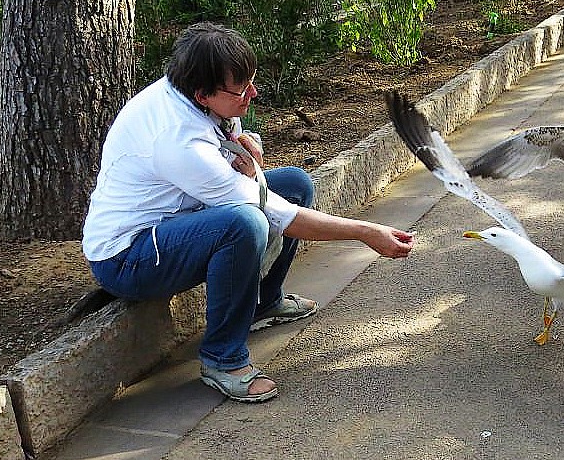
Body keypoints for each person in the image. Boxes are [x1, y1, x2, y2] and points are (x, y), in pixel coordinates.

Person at [82, 22, 414, 403]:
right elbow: (277, 215)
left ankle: (263, 302)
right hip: (128, 257)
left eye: (251, 82)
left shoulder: (198, 96)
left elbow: (254, 174)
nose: (252, 95)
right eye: (241, 89)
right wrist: (365, 232)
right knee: (245, 224)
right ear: (203, 93)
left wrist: (250, 156)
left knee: (295, 183)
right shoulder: (177, 139)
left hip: (177, 222)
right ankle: (222, 358)